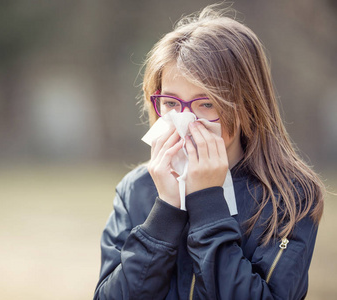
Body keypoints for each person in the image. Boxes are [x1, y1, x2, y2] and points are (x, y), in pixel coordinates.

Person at [93, 4, 325, 300]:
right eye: (172, 104)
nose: (186, 121)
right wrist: (166, 209)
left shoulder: (290, 198)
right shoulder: (136, 189)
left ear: (247, 105)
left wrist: (207, 204)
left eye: (207, 104)